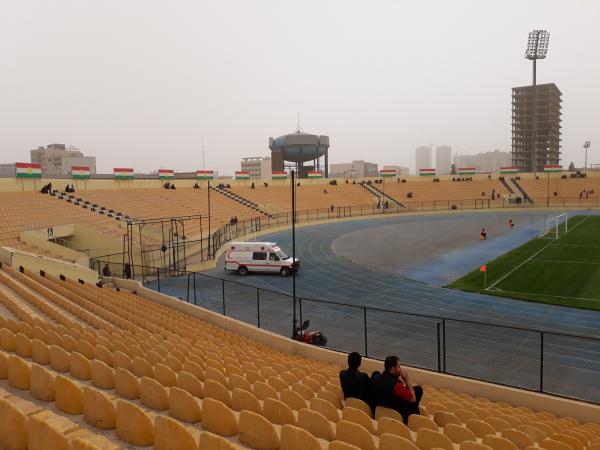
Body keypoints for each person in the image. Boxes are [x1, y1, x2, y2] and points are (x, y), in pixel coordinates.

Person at [371, 356, 422, 424]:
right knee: (418, 390)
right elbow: (413, 399)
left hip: (380, 407)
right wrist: (407, 380)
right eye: (398, 366)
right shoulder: (396, 385)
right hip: (396, 410)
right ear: (392, 368)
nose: (400, 369)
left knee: (417, 390)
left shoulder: (376, 377)